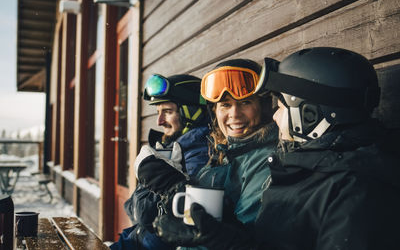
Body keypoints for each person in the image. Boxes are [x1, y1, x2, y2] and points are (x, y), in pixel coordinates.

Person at [154, 47, 400, 249]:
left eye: (280, 106)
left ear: (310, 116)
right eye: (224, 106)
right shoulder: (309, 169)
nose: (275, 116)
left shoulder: (355, 189)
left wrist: (222, 239)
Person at [141, 59, 278, 248]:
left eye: (245, 102)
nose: (235, 114)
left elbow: (240, 239)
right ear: (214, 111)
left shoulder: (265, 162)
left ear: (262, 107)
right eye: (225, 105)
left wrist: (174, 186)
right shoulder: (221, 152)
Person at [111, 74, 210, 250]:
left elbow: (144, 214)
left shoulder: (200, 156)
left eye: (168, 112)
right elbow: (132, 208)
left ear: (192, 112)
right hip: (136, 240)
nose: (160, 121)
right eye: (158, 112)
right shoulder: (173, 149)